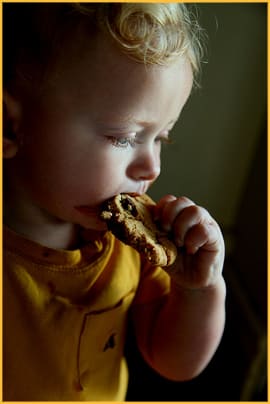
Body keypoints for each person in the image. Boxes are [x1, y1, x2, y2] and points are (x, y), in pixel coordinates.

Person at [3, 3, 226, 401]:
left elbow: (173, 362)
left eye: (161, 138)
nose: (151, 167)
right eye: (124, 137)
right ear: (9, 124)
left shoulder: (133, 247)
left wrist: (199, 290)